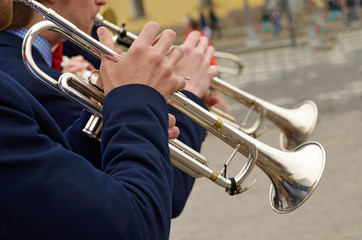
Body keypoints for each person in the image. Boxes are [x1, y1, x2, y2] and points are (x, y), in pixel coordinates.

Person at [0, 0, 219, 218]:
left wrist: (140, 101)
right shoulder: (38, 84)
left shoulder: (26, 70)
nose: (102, 1)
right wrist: (190, 93)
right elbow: (163, 197)